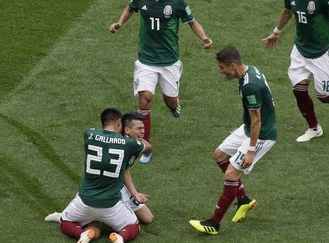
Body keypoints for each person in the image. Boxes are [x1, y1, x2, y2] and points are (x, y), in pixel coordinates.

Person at [110, 0, 213, 163]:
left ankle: (175, 104)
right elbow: (130, 8)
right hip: (146, 61)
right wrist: (119, 23)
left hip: (169, 62)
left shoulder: (177, 3)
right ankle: (145, 147)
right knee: (145, 99)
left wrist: (204, 37)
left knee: (170, 102)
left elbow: (192, 21)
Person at [189, 47, 277, 235]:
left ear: (233, 65)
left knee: (230, 174)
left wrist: (251, 150)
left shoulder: (249, 86)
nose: (221, 71)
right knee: (219, 155)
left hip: (261, 135)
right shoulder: (250, 71)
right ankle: (243, 199)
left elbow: (257, 120)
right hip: (248, 128)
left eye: (222, 68)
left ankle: (213, 223)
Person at [262, 0, 329, 142]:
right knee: (299, 90)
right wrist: (276, 32)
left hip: (321, 51)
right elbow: (288, 11)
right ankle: (314, 128)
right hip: (300, 49)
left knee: (325, 96)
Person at [57, 108, 151, 243]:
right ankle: (120, 238)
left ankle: (81, 233)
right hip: (111, 201)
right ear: (120, 124)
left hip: (86, 199)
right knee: (135, 226)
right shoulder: (129, 144)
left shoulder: (89, 134)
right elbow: (147, 147)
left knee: (64, 221)